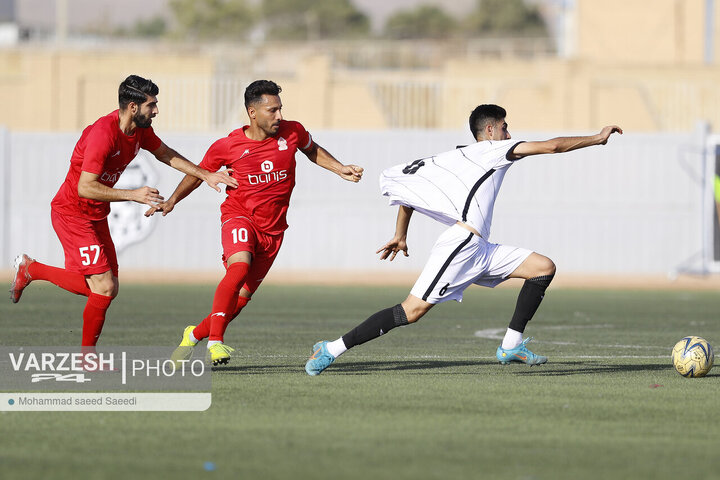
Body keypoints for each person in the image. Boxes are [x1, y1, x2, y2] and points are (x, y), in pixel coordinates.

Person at [305, 104, 622, 375]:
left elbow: (410, 189)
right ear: (489, 130)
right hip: (461, 246)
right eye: (505, 128)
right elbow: (552, 146)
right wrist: (597, 138)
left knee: (542, 267)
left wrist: (401, 233)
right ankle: (331, 349)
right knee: (410, 312)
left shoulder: (458, 157)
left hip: (480, 247)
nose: (509, 135)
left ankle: (510, 345)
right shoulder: (493, 149)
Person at [9, 75, 238, 348]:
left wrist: (206, 174)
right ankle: (87, 358)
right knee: (103, 287)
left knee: (108, 288)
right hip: (73, 213)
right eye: (151, 105)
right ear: (133, 107)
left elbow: (165, 154)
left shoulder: (140, 130)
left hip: (96, 213)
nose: (155, 111)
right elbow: (85, 187)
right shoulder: (102, 135)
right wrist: (133, 195)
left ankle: (32, 269)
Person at [150, 80, 363, 366]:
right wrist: (173, 199)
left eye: (280, 110)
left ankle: (193, 335)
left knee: (239, 301)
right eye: (272, 110)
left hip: (273, 230)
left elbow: (312, 149)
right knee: (239, 268)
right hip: (239, 216)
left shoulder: (293, 132)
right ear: (252, 112)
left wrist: (340, 169)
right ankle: (216, 342)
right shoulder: (228, 146)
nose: (279, 116)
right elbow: (199, 173)